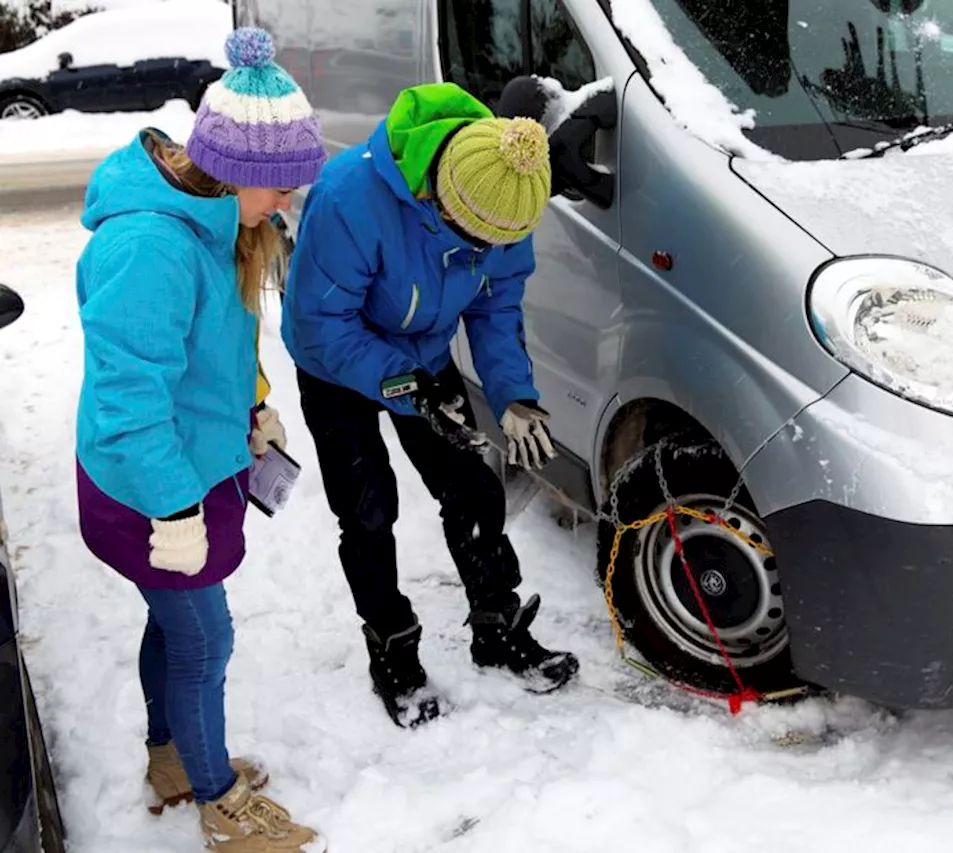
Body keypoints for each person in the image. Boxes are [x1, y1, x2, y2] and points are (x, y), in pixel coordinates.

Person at [74, 27, 326, 852]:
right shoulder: (150, 244)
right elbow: (128, 402)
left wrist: (254, 407)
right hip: (149, 489)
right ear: (239, 172)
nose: (284, 202)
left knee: (175, 625)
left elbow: (219, 345)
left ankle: (174, 760)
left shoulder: (222, 223)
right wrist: (175, 506)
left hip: (196, 469)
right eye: (279, 186)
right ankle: (218, 800)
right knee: (205, 637)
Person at [281, 81, 578, 729]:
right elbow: (318, 326)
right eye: (475, 238)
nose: (484, 252)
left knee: (472, 487)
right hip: (336, 364)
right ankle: (392, 649)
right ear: (438, 195)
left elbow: (496, 305)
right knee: (367, 508)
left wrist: (514, 396)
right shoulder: (347, 199)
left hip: (426, 353)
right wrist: (406, 383)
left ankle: (495, 630)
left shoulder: (505, 195)